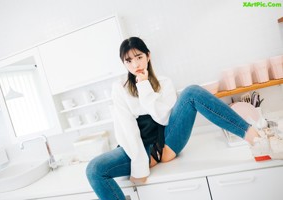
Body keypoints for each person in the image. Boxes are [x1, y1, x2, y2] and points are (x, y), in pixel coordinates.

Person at [86, 37, 283, 200]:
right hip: (137, 149)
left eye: (138, 57)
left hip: (167, 143)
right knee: (94, 169)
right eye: (128, 61)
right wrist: (140, 166)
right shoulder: (119, 89)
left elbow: (164, 119)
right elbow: (126, 129)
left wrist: (145, 86)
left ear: (148, 56)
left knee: (191, 92)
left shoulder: (164, 83)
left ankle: (255, 138)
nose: (135, 64)